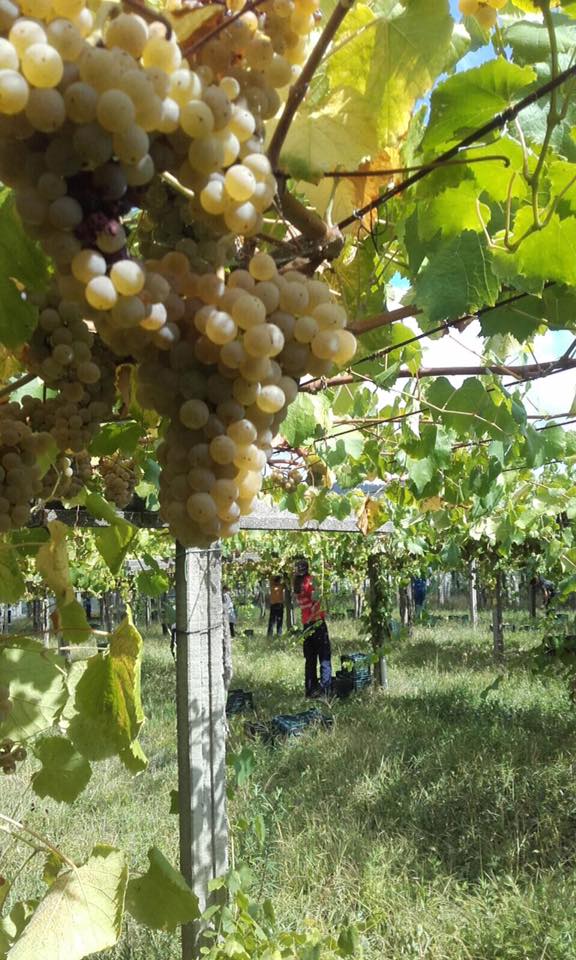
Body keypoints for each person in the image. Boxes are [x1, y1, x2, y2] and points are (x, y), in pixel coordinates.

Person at [293, 559, 332, 698]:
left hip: (306, 626)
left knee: (310, 659)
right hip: (317, 623)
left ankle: (310, 690)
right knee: (324, 657)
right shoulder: (311, 581)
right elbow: (317, 600)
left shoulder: (296, 585)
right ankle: (325, 691)